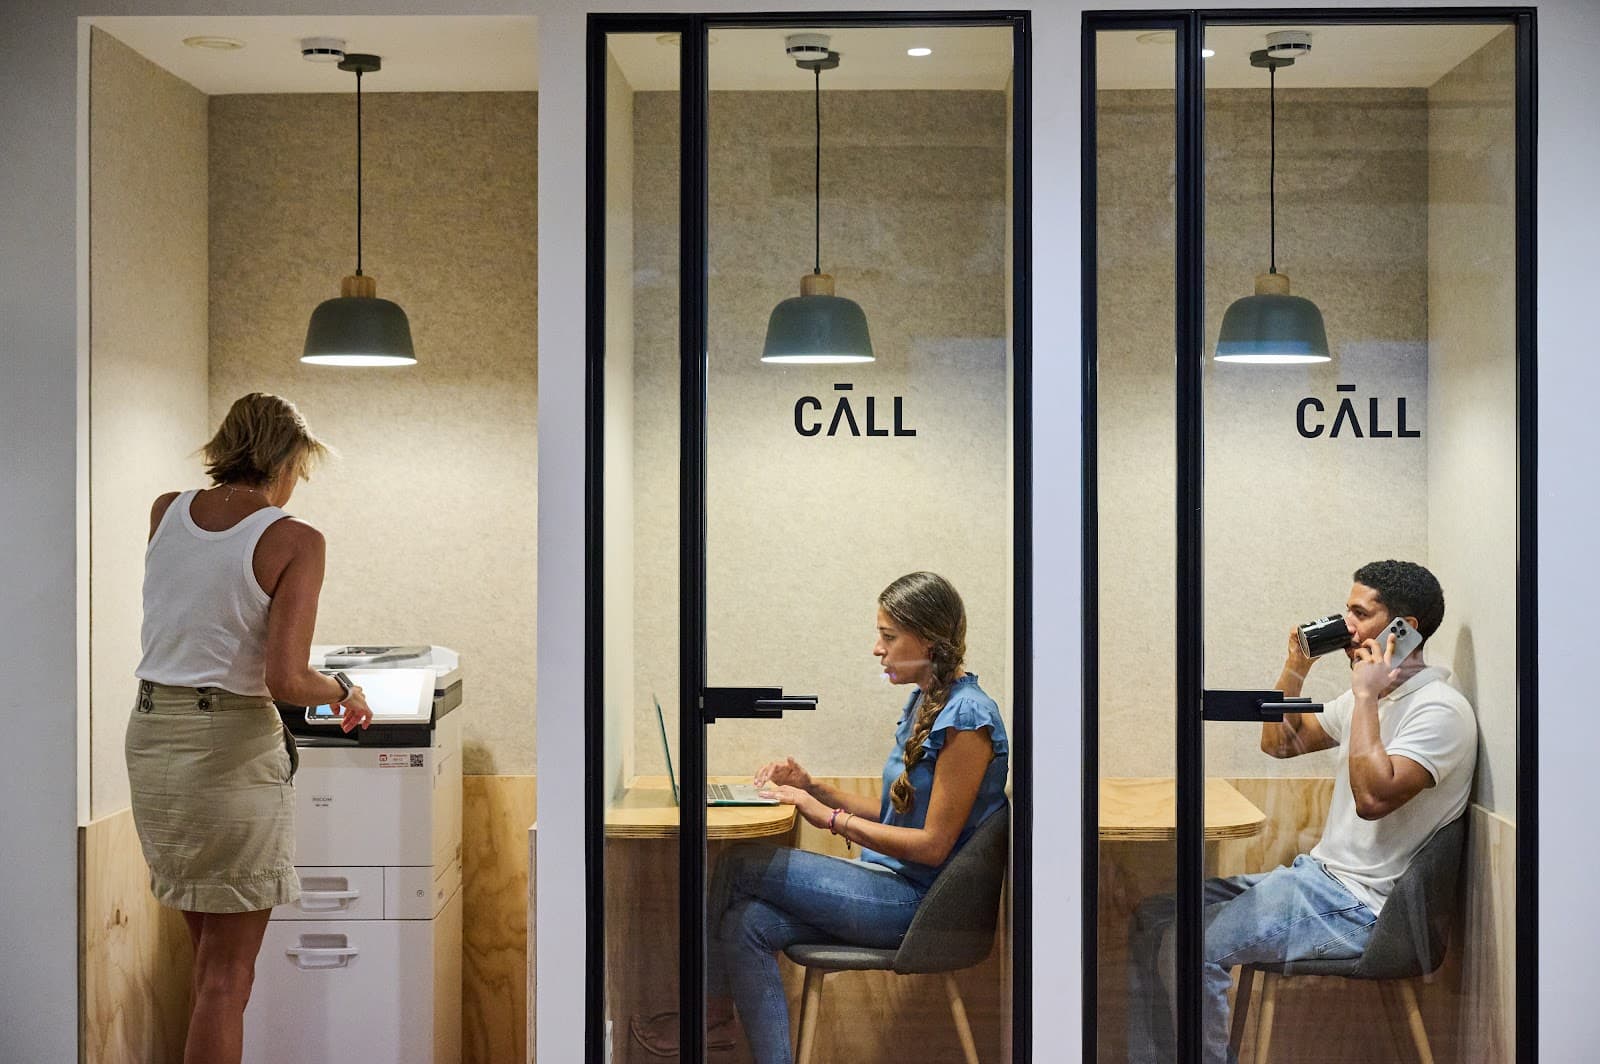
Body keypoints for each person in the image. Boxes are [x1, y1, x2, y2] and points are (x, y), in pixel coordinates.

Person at [631, 571, 1009, 1064]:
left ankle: (709, 1018)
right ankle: (732, 1034)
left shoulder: (968, 717)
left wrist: (828, 818)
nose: (877, 649)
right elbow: (898, 816)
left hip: (920, 908)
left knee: (739, 865)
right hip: (892, 886)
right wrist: (813, 788)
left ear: (928, 641)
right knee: (747, 922)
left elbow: (933, 846)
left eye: (889, 636)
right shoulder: (926, 701)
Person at [1127, 560, 1478, 1064]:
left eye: (1360, 614)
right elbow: (1280, 743)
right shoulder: (1369, 699)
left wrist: (1365, 694)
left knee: (1194, 946)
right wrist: (1297, 664)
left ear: (1404, 629)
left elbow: (1372, 798)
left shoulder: (1438, 709)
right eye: (1347, 611)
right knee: (1155, 917)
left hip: (1364, 907)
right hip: (1317, 878)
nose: (1347, 626)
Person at [124, 392, 374, 1064]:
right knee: (226, 978)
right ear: (285, 460)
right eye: (300, 470)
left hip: (152, 738)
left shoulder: (166, 511)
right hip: (228, 749)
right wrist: (345, 691)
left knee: (208, 961)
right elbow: (287, 680)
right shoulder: (296, 538)